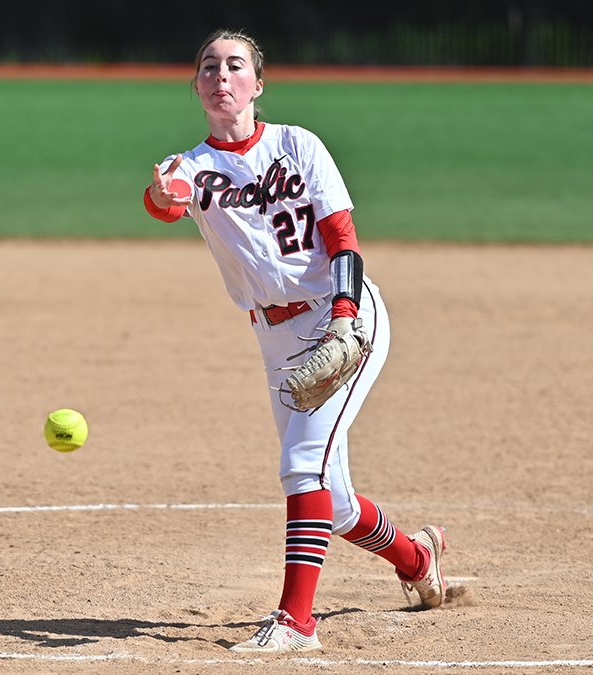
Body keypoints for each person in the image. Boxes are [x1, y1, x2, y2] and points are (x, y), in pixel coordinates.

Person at [142, 29, 448, 654]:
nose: (220, 77)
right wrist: (164, 196)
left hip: (344, 318)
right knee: (328, 498)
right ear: (196, 86)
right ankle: (418, 559)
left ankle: (296, 621)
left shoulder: (298, 145)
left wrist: (343, 315)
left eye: (234, 66)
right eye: (208, 68)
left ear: (258, 83)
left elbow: (342, 236)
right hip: (276, 339)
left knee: (300, 468)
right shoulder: (189, 166)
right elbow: (164, 203)